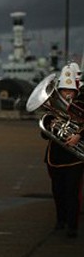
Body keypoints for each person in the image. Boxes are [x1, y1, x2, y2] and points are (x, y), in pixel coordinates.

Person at [43, 67, 83, 238]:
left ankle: (72, 226)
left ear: (76, 92)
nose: (67, 94)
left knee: (71, 192)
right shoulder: (52, 110)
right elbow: (43, 134)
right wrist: (50, 127)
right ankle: (60, 220)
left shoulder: (81, 107)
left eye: (70, 91)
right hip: (56, 155)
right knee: (57, 191)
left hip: (74, 157)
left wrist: (79, 135)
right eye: (64, 90)